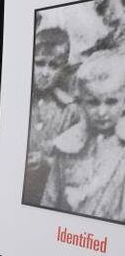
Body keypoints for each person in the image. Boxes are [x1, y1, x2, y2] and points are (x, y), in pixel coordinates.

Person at [41, 49, 125, 221]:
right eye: (93, 102)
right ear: (81, 102)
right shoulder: (68, 145)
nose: (102, 112)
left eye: (111, 102)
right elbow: (49, 200)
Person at [23, 27, 81, 205]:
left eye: (53, 65)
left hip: (49, 199)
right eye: (39, 63)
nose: (45, 73)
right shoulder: (19, 100)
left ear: (63, 67)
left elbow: (75, 165)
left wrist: (46, 162)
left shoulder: (70, 110)